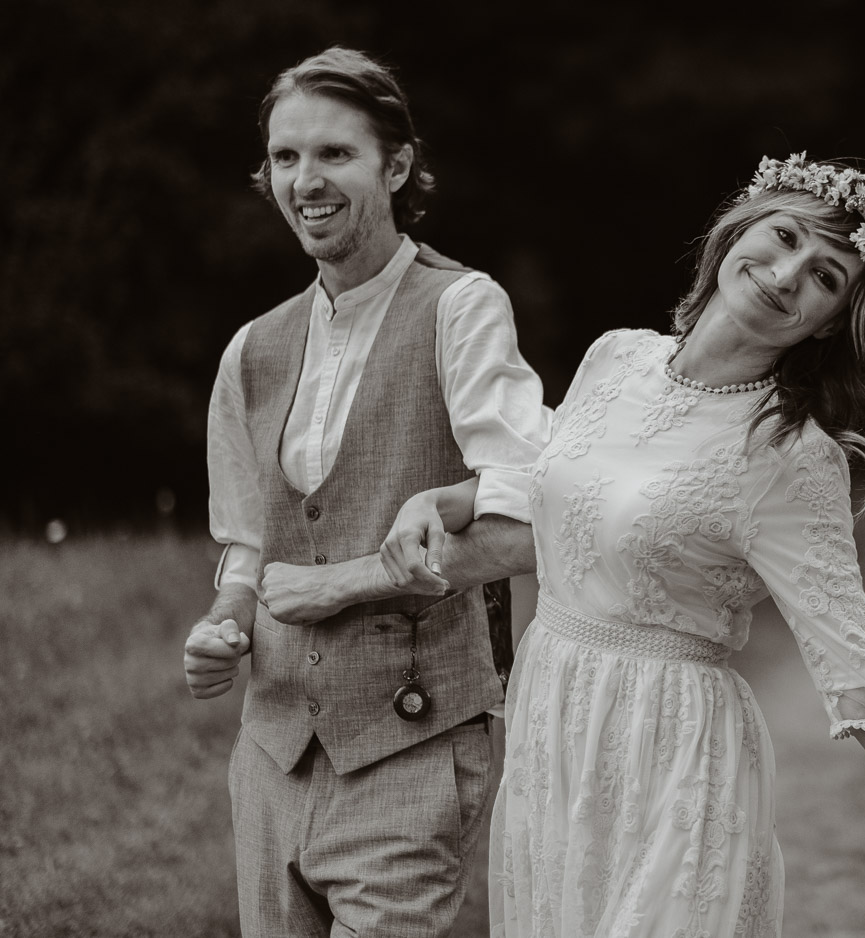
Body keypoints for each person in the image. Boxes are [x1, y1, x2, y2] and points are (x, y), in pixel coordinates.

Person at [382, 153, 865, 937]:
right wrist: (435, 501)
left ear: (829, 321)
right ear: (736, 232)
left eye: (824, 277)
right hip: (553, 734)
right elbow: (559, 493)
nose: (787, 274)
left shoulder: (794, 456)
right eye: (783, 237)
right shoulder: (613, 357)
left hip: (677, 755)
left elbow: (861, 674)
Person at [180, 46, 547, 936]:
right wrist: (223, 621)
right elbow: (248, 542)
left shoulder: (461, 307)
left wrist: (347, 582)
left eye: (335, 154)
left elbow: (530, 513)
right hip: (268, 754)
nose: (306, 179)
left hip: (411, 745)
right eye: (286, 157)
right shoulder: (251, 349)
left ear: (398, 165)